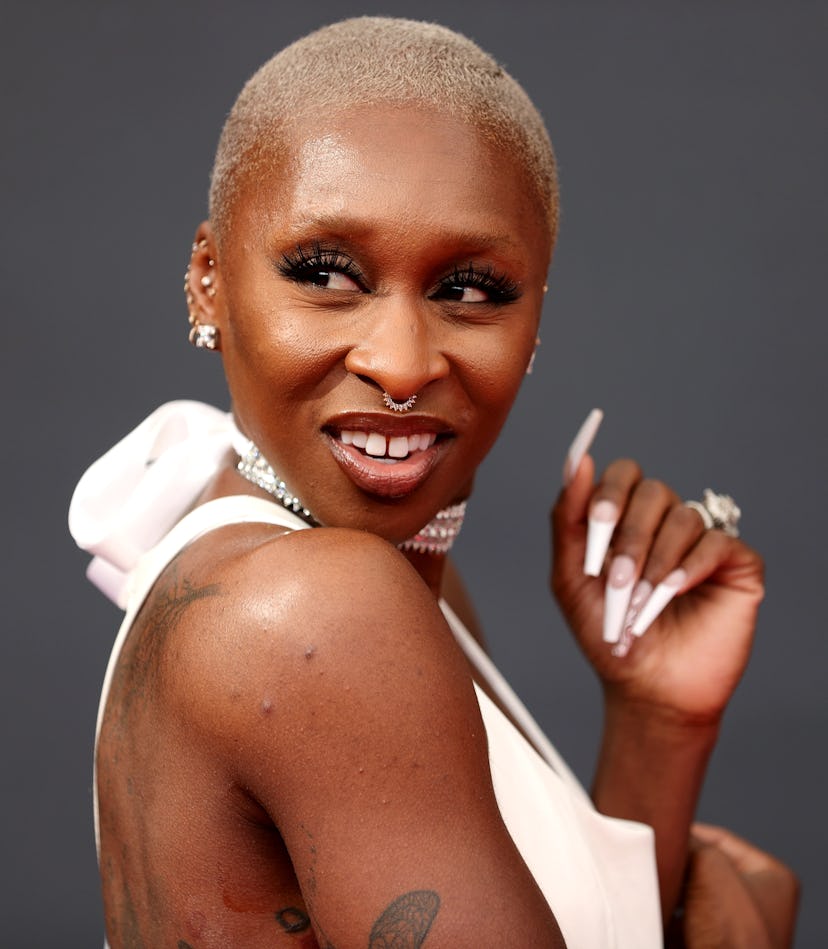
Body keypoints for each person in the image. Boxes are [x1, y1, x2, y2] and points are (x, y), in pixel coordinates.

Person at [69, 17, 796, 948]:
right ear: (210, 278)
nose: (402, 363)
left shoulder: (389, 582)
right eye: (328, 274)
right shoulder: (320, 613)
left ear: (535, 316)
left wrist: (660, 720)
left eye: (471, 288)